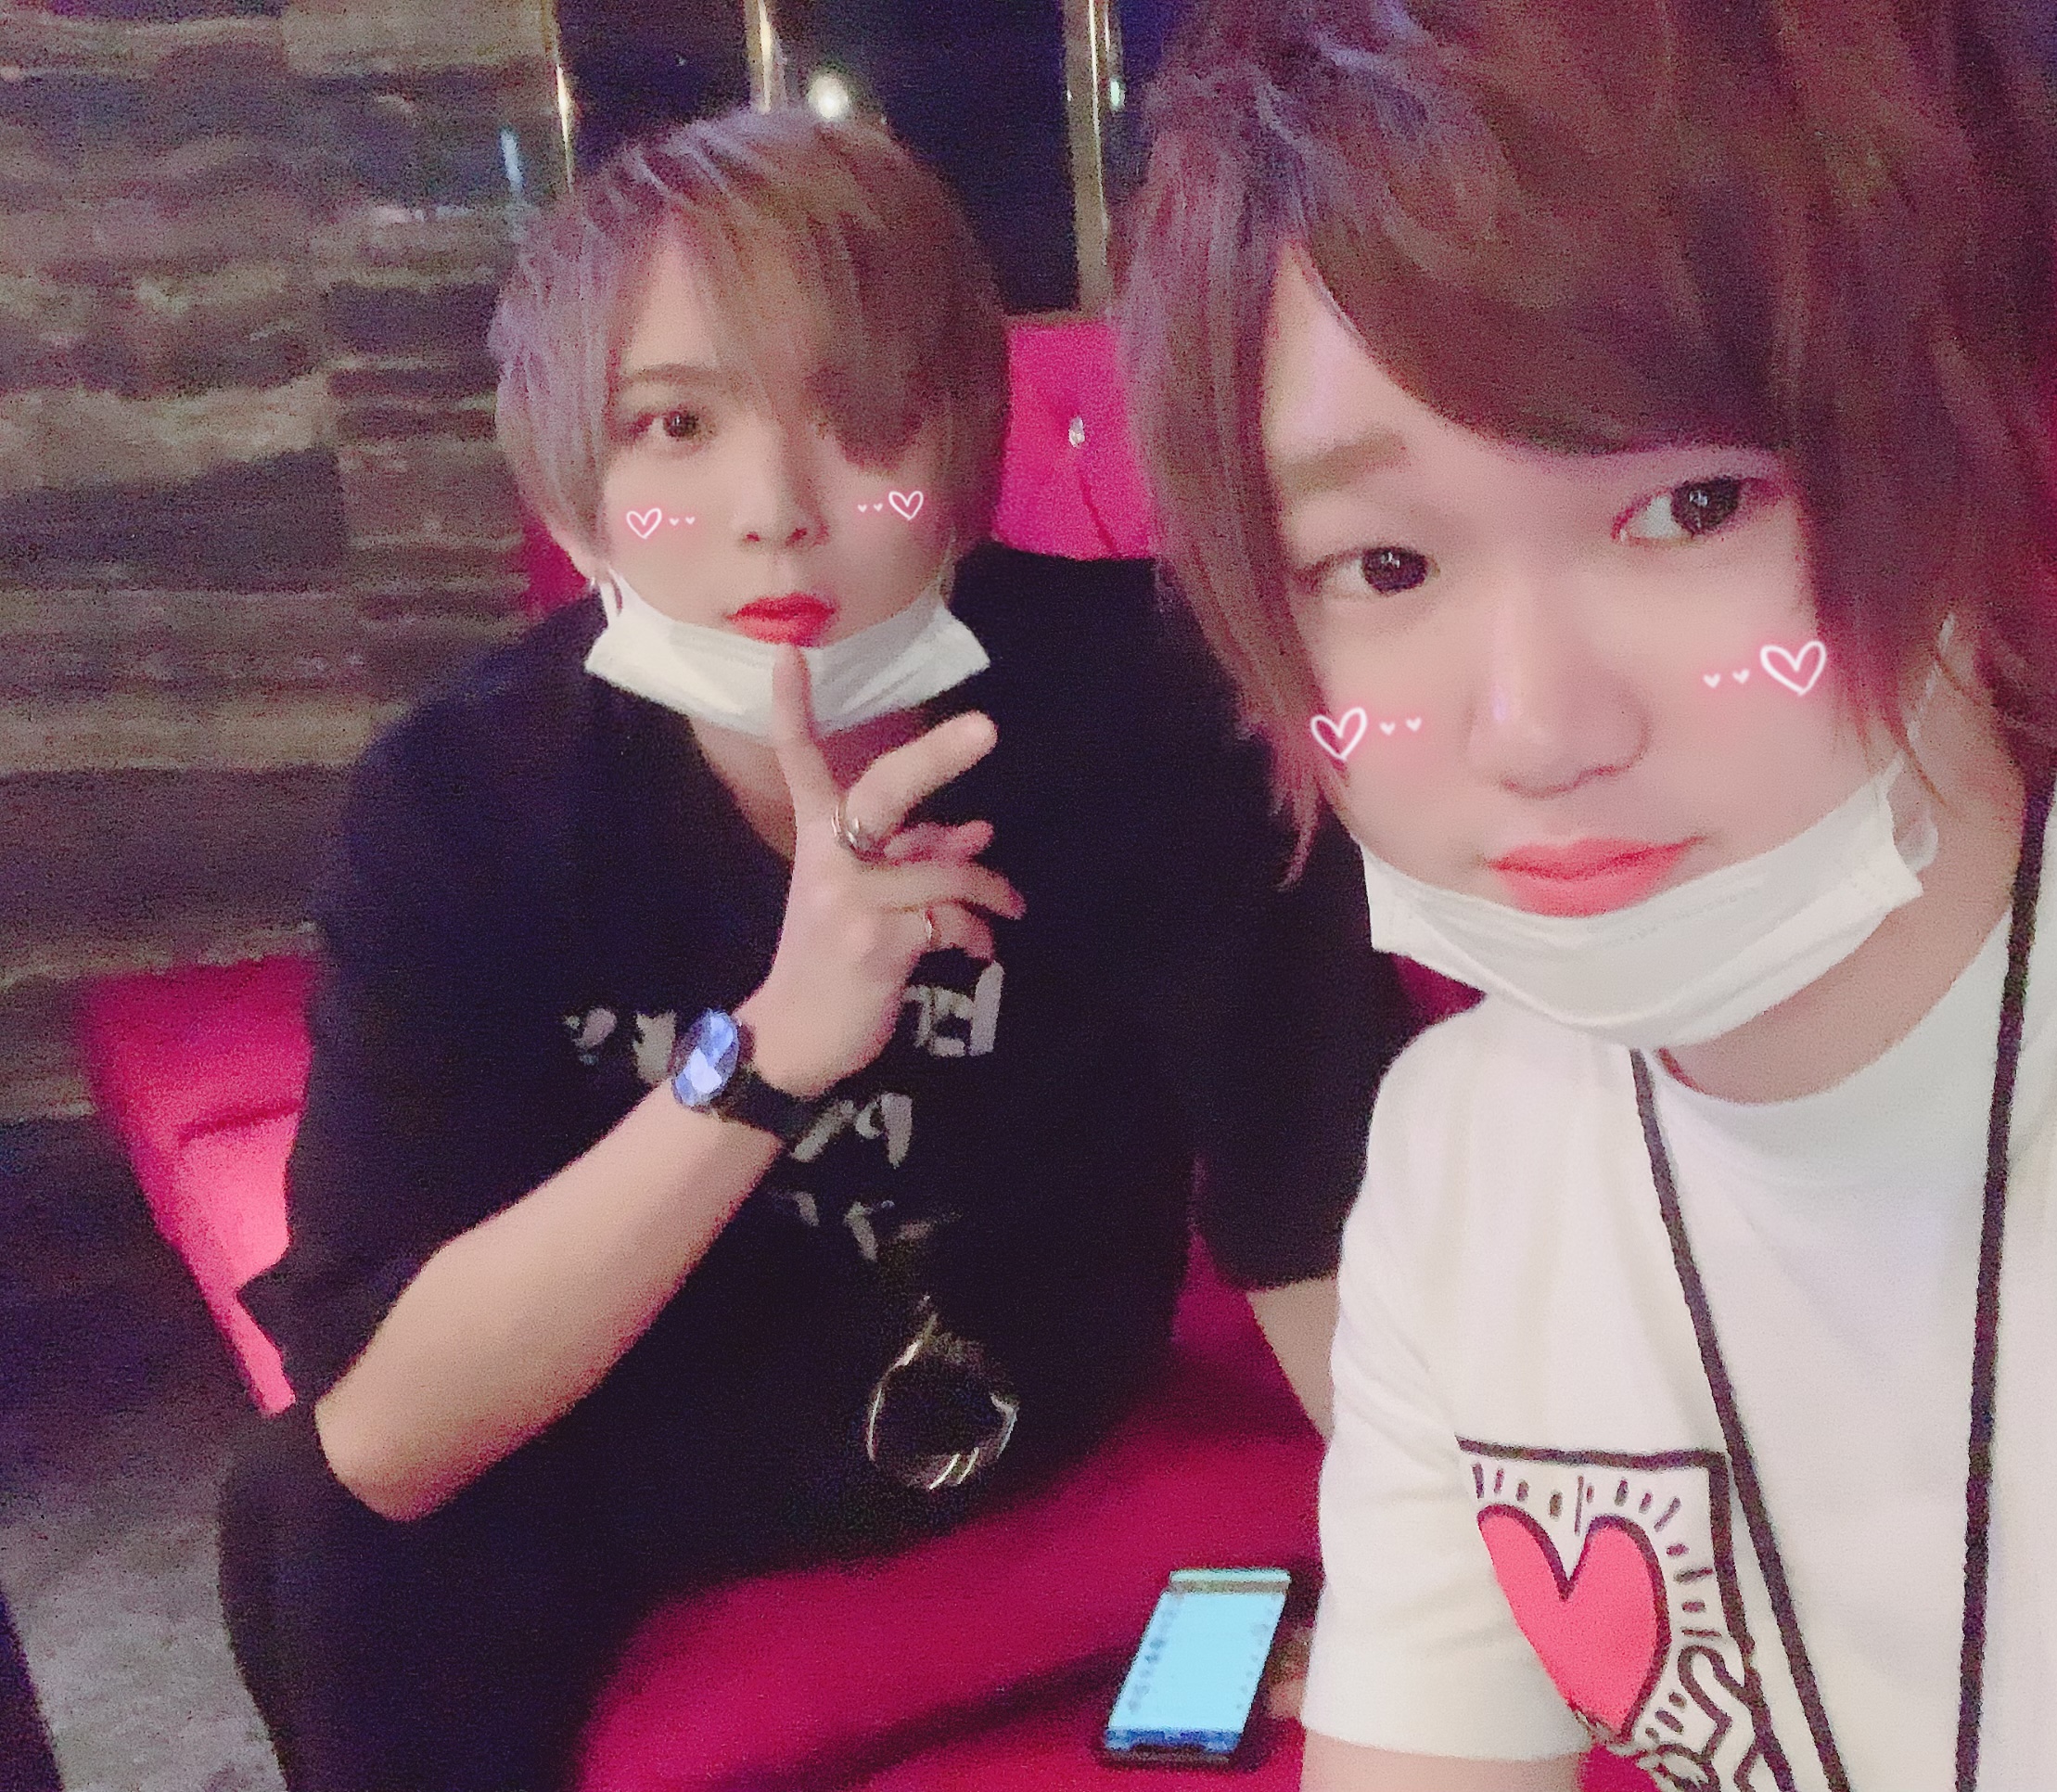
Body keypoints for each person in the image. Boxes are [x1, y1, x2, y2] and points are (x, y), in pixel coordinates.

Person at [1114, 2, 2057, 1788]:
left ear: (1969, 452)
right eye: (1384, 564)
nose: (1539, 727)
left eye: (1694, 507)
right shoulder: (1463, 1165)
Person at [215, 104, 1409, 1792]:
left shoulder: (1148, 717)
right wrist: (773, 1050)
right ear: (575, 489)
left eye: (866, 425)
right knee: (305, 1525)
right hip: (614, 1387)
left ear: (963, 461)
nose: (775, 510)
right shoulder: (466, 803)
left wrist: (1457, 1622)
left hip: (1013, 1365)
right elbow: (388, 1438)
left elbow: (1319, 1220)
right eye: (675, 425)